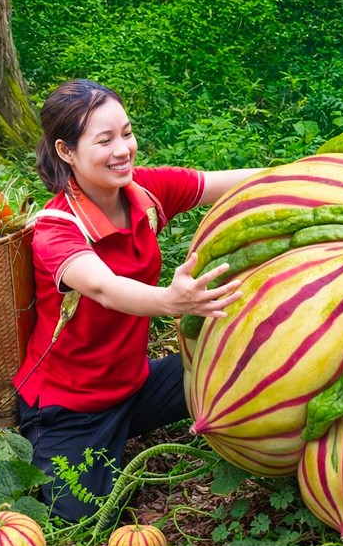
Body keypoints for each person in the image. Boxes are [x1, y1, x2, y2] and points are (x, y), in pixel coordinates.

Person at [14, 78, 260, 522]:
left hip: (135, 384)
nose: (123, 149)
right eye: (104, 140)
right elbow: (105, 288)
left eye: (126, 133)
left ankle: (125, 433)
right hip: (70, 407)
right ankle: (87, 448)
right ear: (66, 151)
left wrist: (320, 173)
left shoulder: (144, 192)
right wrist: (172, 300)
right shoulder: (57, 227)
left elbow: (223, 184)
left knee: (243, 357)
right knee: (81, 519)